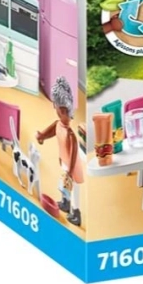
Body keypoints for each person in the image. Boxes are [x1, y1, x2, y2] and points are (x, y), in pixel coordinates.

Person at [36, 77, 84, 226]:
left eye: (55, 106)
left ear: (63, 110)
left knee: (74, 189)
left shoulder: (70, 135)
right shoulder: (59, 125)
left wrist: (70, 170)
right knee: (64, 185)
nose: (54, 108)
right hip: (65, 163)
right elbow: (51, 131)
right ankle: (65, 202)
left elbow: (74, 153)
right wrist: (42, 135)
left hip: (72, 168)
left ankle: (76, 213)